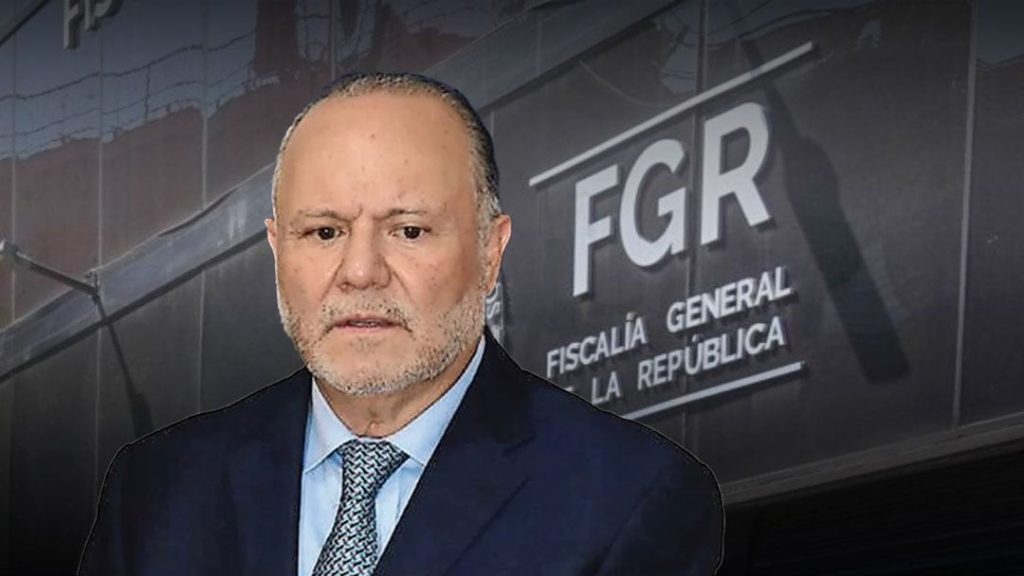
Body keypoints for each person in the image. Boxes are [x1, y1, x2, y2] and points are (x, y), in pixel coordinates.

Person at [79, 72, 724, 576]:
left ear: (491, 251)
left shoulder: (630, 498)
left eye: (409, 231)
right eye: (324, 232)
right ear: (277, 250)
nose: (360, 272)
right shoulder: (155, 492)